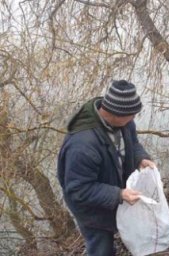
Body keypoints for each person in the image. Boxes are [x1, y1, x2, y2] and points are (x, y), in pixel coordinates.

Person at [57, 80, 156, 255]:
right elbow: (78, 190)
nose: (134, 119)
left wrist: (141, 158)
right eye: (132, 115)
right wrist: (118, 194)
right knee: (101, 248)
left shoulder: (125, 122)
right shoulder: (82, 145)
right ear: (117, 113)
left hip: (113, 194)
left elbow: (133, 143)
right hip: (92, 211)